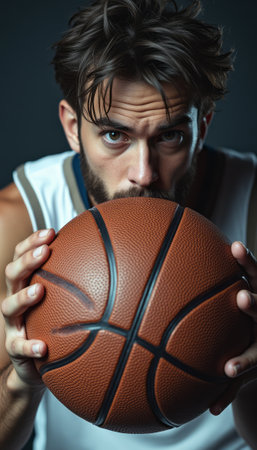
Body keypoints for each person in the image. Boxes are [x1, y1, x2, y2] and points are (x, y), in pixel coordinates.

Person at [0, 0, 257, 449]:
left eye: (170, 136)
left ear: (204, 126)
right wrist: (22, 382)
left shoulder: (253, 207)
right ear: (72, 127)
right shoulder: (21, 217)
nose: (144, 172)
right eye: (115, 135)